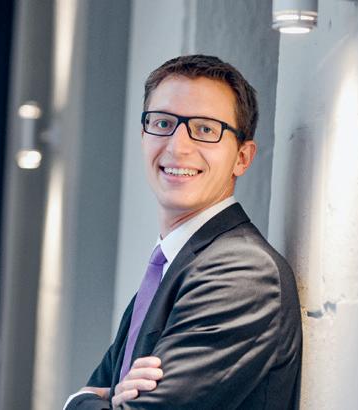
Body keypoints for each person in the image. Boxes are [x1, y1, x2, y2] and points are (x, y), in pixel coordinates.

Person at [64, 54, 302, 410]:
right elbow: (106, 389)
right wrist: (104, 397)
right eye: (163, 123)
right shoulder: (168, 268)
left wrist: (78, 400)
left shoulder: (242, 274)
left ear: (242, 157)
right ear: (143, 137)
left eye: (205, 129)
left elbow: (100, 393)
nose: (177, 147)